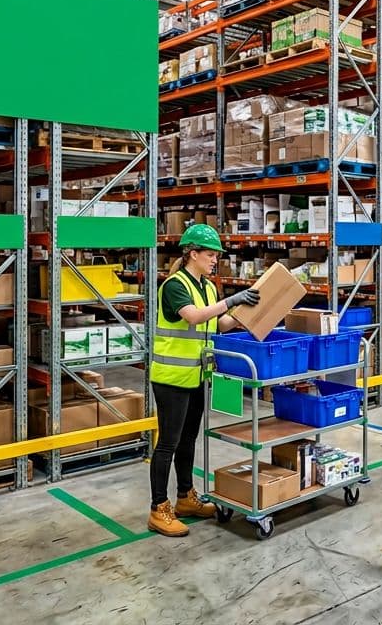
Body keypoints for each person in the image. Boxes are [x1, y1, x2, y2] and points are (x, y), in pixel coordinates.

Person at [147, 223, 260, 537]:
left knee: (187, 440)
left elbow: (219, 324)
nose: (215, 260)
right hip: (171, 378)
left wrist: (248, 312)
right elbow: (194, 316)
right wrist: (233, 300)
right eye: (210, 255)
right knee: (167, 443)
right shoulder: (174, 285)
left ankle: (185, 498)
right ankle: (159, 508)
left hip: (198, 376)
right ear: (192, 253)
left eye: (216, 256)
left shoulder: (208, 287)